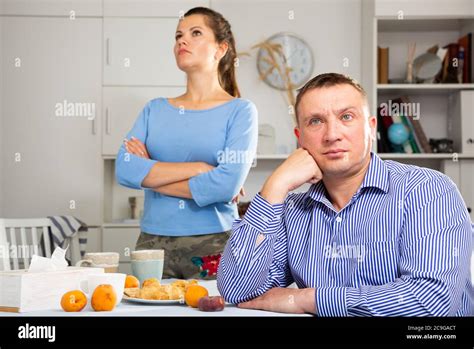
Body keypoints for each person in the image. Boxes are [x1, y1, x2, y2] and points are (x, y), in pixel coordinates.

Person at [217, 73, 473, 316]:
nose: (332, 135)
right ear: (300, 139)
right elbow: (239, 290)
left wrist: (308, 299)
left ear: (371, 128)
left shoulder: (428, 190)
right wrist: (275, 186)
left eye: (347, 117)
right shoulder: (291, 210)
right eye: (315, 121)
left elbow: (433, 302)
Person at [115, 7, 257, 279]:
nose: (182, 40)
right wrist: (201, 169)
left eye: (195, 33)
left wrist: (151, 174)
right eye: (179, 35)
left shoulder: (241, 111)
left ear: (221, 48)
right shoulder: (153, 109)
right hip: (152, 243)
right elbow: (125, 170)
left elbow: (225, 186)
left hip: (215, 243)